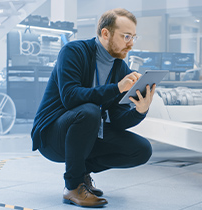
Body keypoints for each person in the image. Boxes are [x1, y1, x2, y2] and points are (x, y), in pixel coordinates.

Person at [31, 8, 155, 208]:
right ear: (105, 33)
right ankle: (73, 186)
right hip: (53, 136)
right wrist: (116, 88)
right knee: (89, 111)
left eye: (133, 37)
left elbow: (117, 119)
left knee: (141, 150)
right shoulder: (73, 51)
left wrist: (139, 111)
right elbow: (71, 98)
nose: (131, 43)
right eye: (126, 36)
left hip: (86, 133)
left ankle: (80, 172)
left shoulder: (119, 67)